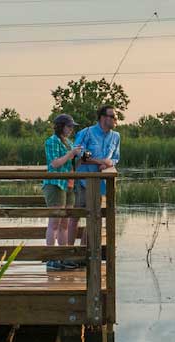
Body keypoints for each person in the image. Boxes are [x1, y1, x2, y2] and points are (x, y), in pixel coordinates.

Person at [69, 105, 120, 246]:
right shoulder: (87, 133)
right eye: (113, 116)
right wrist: (98, 161)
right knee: (76, 216)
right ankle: (68, 251)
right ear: (103, 118)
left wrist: (109, 163)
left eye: (115, 116)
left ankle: (85, 250)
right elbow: (78, 152)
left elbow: (116, 157)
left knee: (94, 217)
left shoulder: (116, 136)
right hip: (83, 182)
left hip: (101, 184)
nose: (115, 119)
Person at [42, 113, 83, 271]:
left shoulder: (69, 142)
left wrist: (80, 157)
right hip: (55, 184)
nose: (71, 129)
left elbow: (72, 165)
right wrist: (71, 154)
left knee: (65, 224)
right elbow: (55, 164)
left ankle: (63, 256)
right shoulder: (51, 142)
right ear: (61, 127)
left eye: (72, 127)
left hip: (69, 185)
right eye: (69, 126)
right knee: (54, 223)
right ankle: (51, 258)